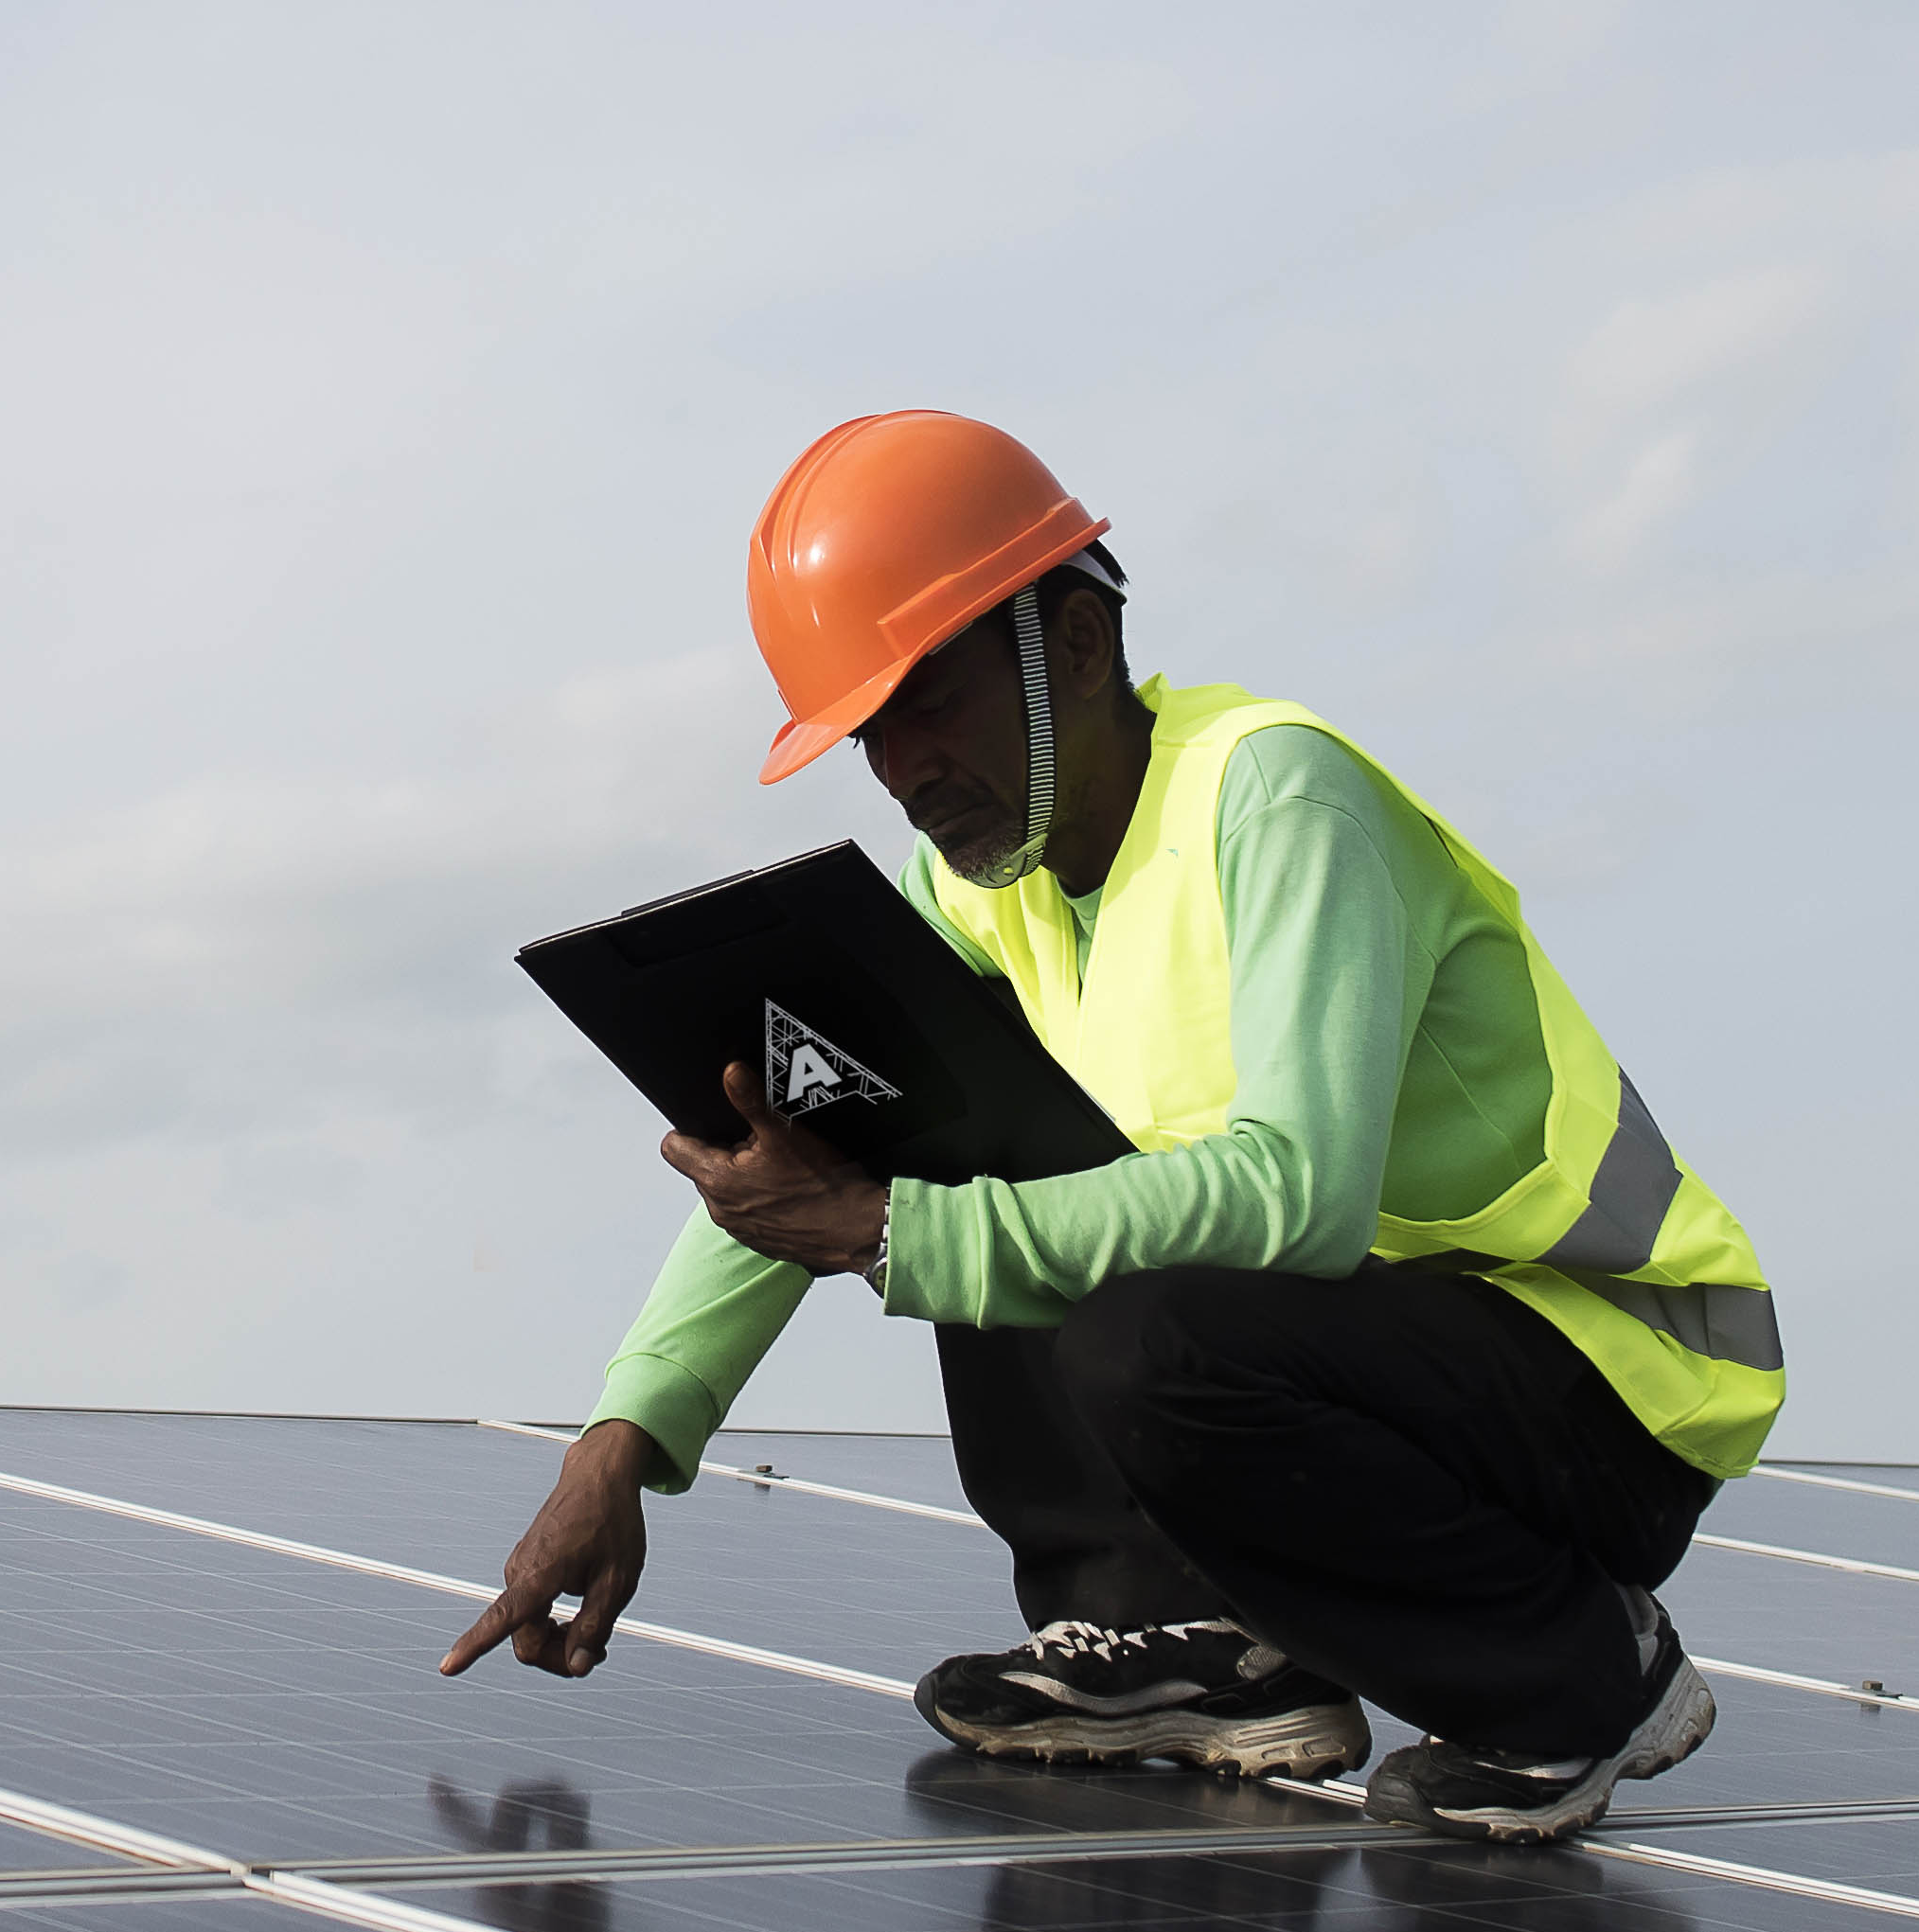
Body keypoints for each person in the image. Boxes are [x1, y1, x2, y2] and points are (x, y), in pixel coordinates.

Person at [443, 411, 1784, 1843]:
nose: (901, 766)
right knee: (945, 1129)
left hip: (1606, 1380)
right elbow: (813, 1145)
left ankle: (1583, 1673)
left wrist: (904, 1231)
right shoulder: (985, 882)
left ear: (1077, 647)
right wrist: (622, 1440)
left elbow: (1304, 1196)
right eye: (868, 731)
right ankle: (1188, 1637)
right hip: (1382, 1366)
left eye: (928, 700)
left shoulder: (1274, 797)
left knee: (1089, 1295)